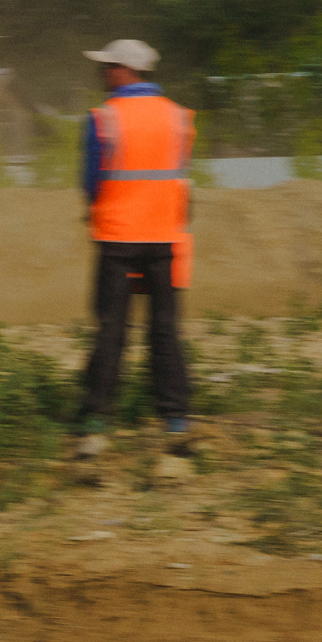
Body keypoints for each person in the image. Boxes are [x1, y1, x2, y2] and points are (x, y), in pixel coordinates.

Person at [76, 38, 194, 444]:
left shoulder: (103, 118)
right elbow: (180, 176)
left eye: (107, 66)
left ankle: (96, 419)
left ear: (124, 71)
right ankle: (175, 418)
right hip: (166, 239)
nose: (102, 73)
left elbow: (90, 183)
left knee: (112, 329)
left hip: (118, 238)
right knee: (165, 329)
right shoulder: (179, 117)